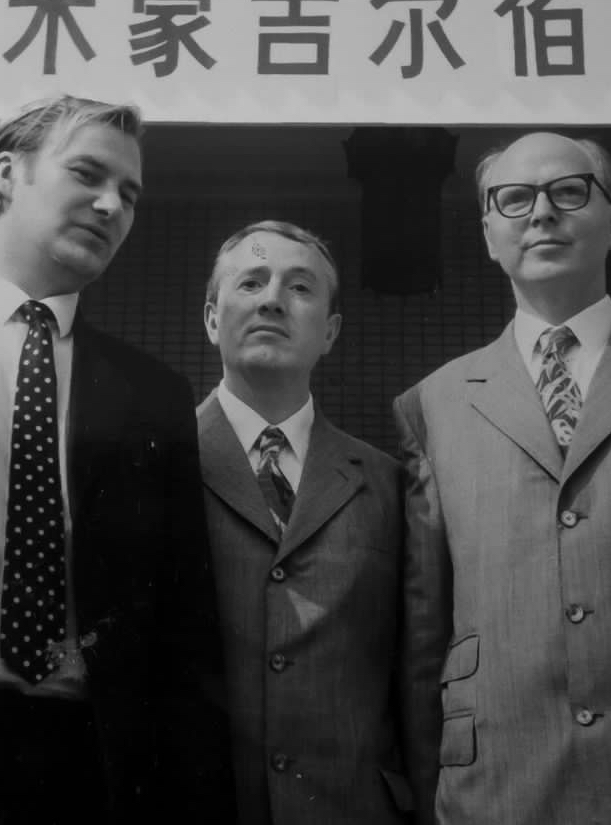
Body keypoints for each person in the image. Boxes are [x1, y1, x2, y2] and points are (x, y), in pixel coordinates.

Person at [0, 95, 234, 825]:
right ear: (7, 174)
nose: (111, 206)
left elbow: (182, 629)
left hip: (83, 766)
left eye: (129, 194)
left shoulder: (154, 393)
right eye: (87, 174)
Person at [394, 131, 611, 825]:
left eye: (568, 191)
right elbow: (424, 628)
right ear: (488, 234)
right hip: (497, 781)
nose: (541, 213)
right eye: (514, 199)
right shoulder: (433, 403)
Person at [198, 220, 421, 825]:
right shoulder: (156, 460)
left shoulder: (386, 482)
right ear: (213, 319)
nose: (272, 300)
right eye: (251, 283)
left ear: (330, 332)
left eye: (299, 287)